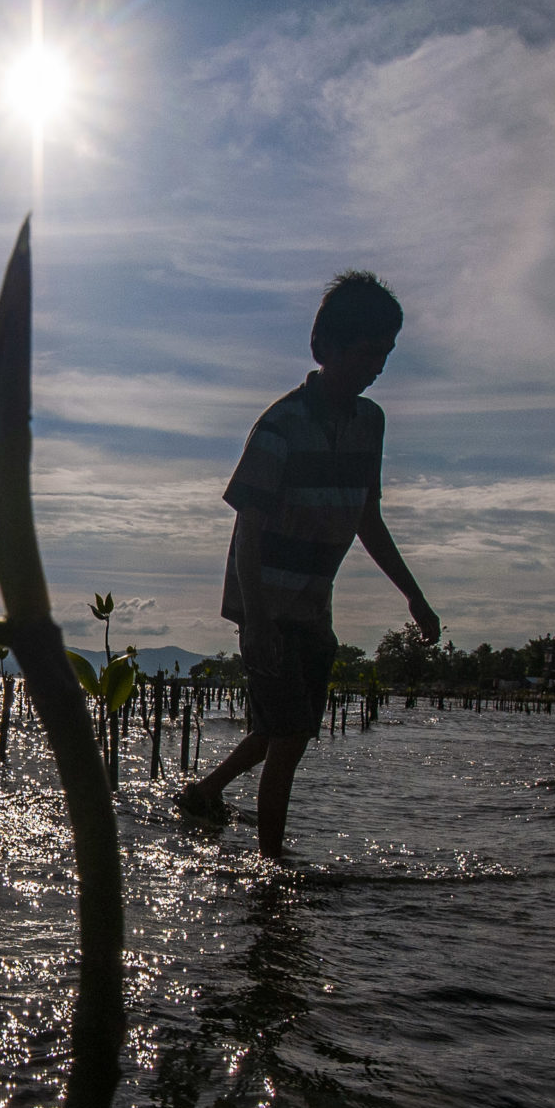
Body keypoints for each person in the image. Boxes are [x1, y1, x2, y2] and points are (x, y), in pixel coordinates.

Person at [176, 271, 438, 859]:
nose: (378, 367)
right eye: (369, 354)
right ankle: (273, 868)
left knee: (280, 728)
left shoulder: (370, 424)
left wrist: (413, 595)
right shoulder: (281, 427)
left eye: (386, 354)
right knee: (290, 733)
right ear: (328, 350)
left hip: (313, 606)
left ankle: (202, 794)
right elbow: (247, 534)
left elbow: (366, 517)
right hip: (264, 603)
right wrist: (260, 621)